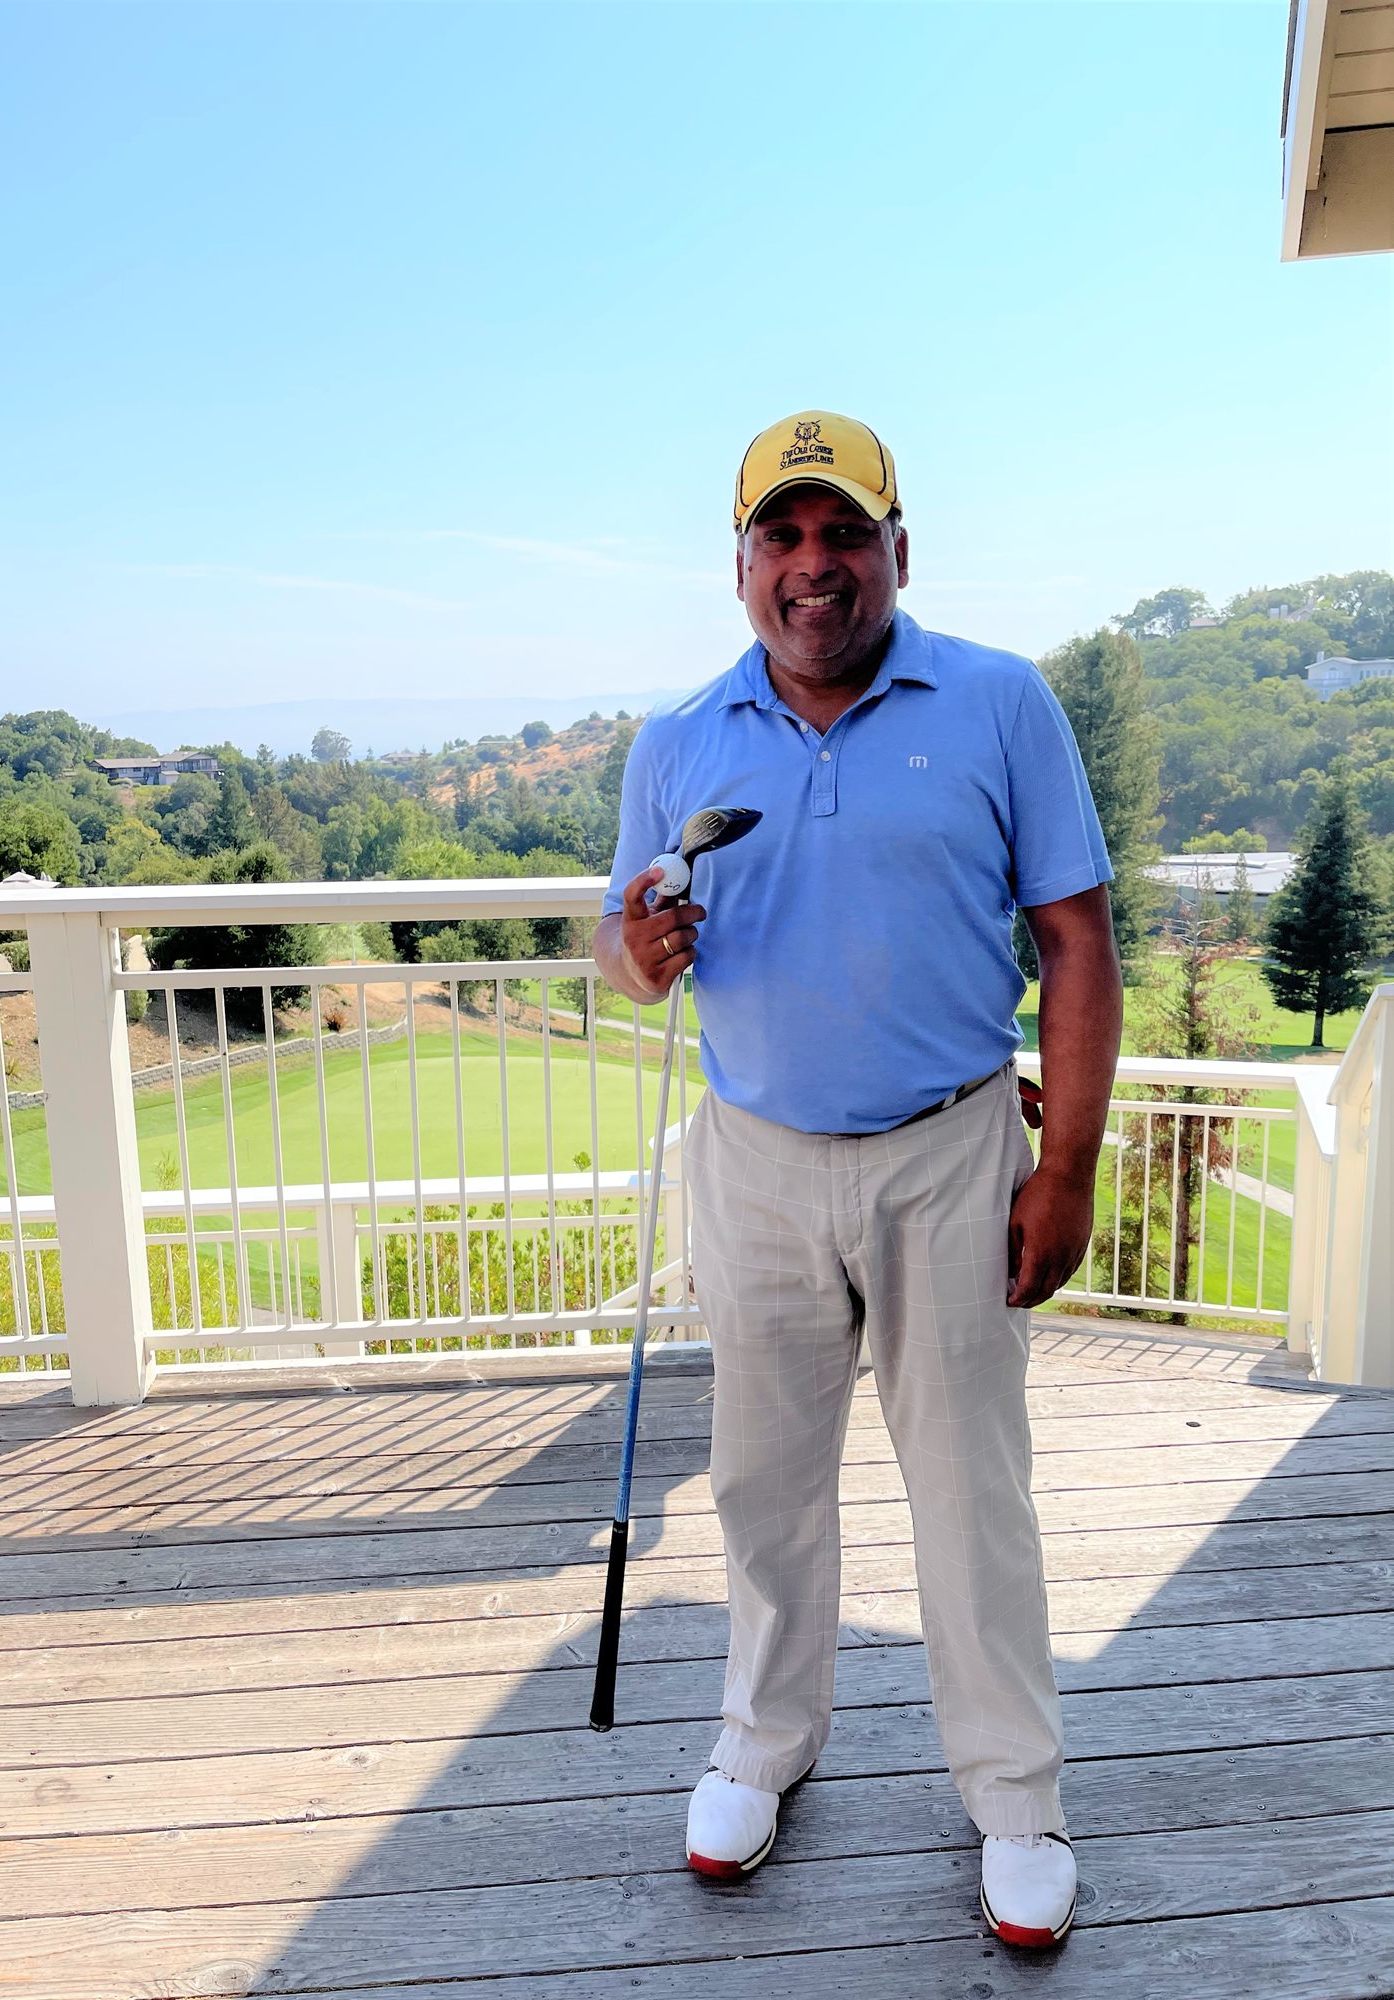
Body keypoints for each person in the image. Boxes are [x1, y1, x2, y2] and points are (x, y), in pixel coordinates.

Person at [592, 410, 1123, 1950]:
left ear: (899, 550)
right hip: (753, 1160)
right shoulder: (678, 740)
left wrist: (1068, 1167)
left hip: (951, 1152)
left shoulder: (1000, 702)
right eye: (784, 535)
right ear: (741, 563)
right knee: (762, 1485)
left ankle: (1015, 1797)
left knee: (970, 1493)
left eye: (844, 534)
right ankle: (763, 1745)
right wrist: (638, 951)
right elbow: (621, 945)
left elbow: (1077, 939)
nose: (813, 566)